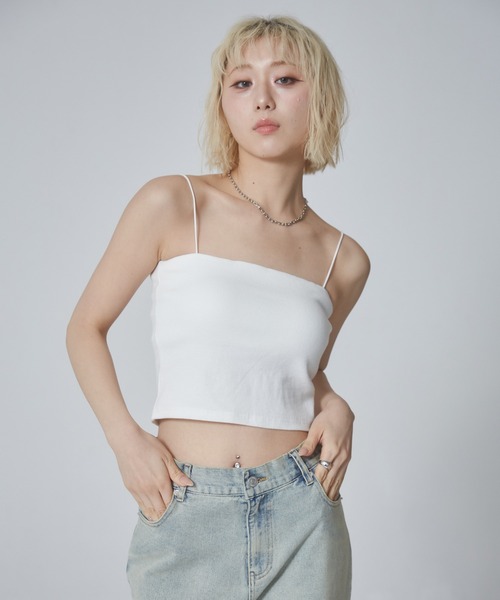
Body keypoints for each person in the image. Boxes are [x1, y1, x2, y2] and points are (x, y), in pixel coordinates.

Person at [66, 15, 370, 600]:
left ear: (320, 98)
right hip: (187, 507)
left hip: (304, 510)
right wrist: (126, 441)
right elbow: (85, 327)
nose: (262, 98)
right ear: (223, 104)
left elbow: (300, 372)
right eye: (242, 82)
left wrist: (335, 405)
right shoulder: (173, 203)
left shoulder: (344, 259)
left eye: (285, 79)